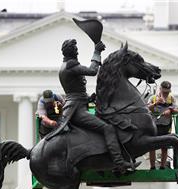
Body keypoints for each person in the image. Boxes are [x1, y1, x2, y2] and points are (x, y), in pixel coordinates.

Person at [50, 38, 132, 173]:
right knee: (108, 128)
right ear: (72, 52)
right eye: (76, 50)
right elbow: (93, 71)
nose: (77, 52)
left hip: (79, 105)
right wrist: (97, 51)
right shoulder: (70, 66)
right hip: (76, 110)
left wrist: (89, 98)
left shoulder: (67, 66)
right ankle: (119, 163)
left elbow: (75, 92)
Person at [148, 81, 178, 170]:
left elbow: (177, 109)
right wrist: (156, 103)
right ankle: (152, 167)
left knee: (164, 147)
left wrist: (170, 110)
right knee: (152, 146)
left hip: (166, 126)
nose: (166, 94)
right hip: (154, 125)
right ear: (160, 89)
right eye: (164, 92)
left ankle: (162, 166)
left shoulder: (171, 99)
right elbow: (146, 108)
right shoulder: (153, 98)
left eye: (167, 92)